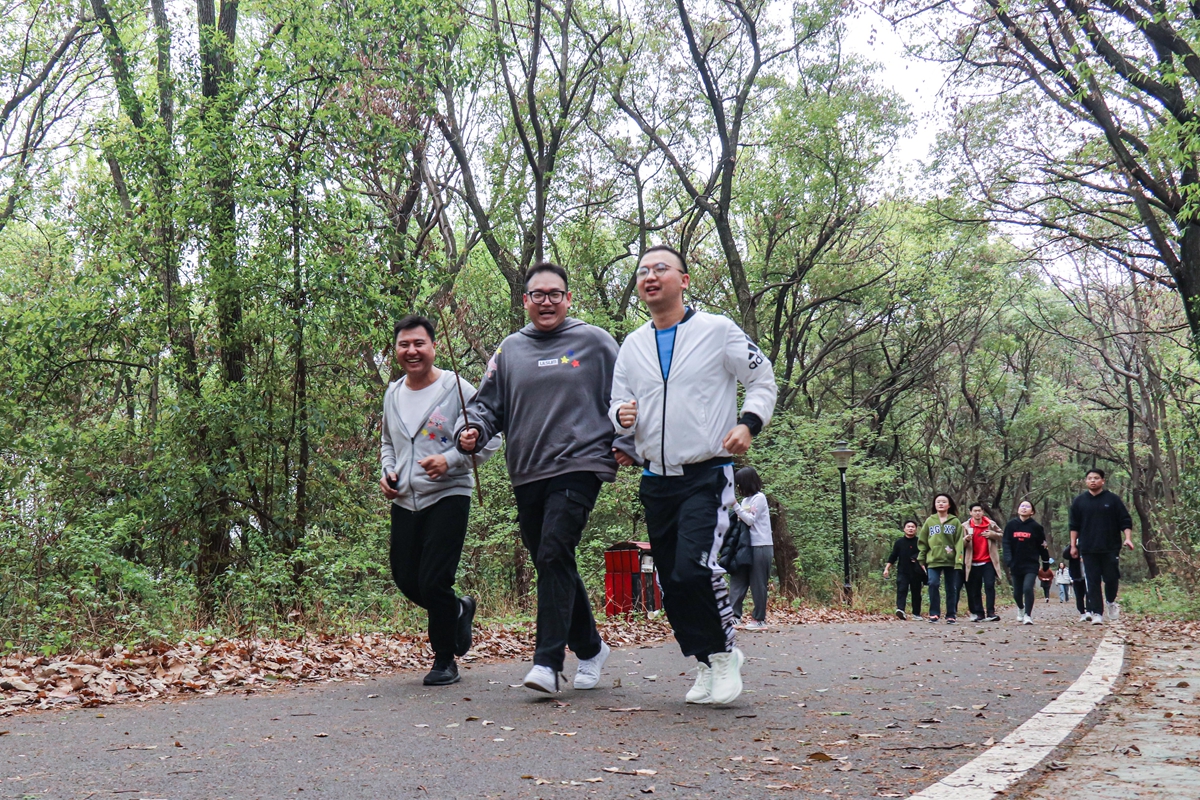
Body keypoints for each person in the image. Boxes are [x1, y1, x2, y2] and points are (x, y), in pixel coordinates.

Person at [610, 244, 778, 706]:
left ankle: (725, 655)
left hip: (708, 473)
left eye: (661, 268)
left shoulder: (717, 330)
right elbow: (617, 402)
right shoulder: (633, 344)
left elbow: (763, 381)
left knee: (693, 568)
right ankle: (704, 660)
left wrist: (748, 423)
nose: (650, 276)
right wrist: (621, 417)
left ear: (683, 280)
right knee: (669, 579)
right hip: (655, 479)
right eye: (643, 270)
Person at [456, 262, 632, 694]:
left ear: (569, 299)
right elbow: (486, 404)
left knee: (554, 550)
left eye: (556, 293)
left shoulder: (594, 342)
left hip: (581, 463)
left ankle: (547, 663)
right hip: (528, 471)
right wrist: (474, 431)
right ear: (526, 301)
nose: (547, 301)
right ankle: (591, 648)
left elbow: (629, 393)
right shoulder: (510, 350)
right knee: (552, 560)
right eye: (539, 294)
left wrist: (628, 440)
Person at [380, 315, 501, 686]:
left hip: (449, 493)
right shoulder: (394, 393)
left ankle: (444, 660)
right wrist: (387, 473)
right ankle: (460, 608)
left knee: (434, 581)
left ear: (432, 347)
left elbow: (490, 440)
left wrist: (450, 459)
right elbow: (388, 444)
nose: (412, 351)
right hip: (405, 500)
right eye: (404, 345)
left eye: (419, 344)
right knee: (405, 577)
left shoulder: (456, 389)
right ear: (397, 351)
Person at [1068, 469, 1134, 626]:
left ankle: (1111, 602)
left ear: (1103, 481)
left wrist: (1128, 538)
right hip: (1088, 548)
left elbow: (1125, 521)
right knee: (1092, 581)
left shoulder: (1112, 500)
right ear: (1085, 481)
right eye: (1089, 478)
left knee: (1111, 577)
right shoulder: (1079, 501)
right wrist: (1073, 546)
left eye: (1096, 478)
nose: (1093, 481)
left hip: (1110, 546)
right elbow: (1073, 526)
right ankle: (1097, 613)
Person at [729, 467, 773, 630]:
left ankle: (759, 619)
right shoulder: (745, 501)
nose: (738, 487)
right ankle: (734, 616)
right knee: (738, 579)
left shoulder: (759, 498)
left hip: (761, 545)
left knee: (758, 582)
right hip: (745, 546)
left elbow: (750, 520)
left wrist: (734, 505)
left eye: (740, 483)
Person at [917, 494, 964, 624]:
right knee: (933, 583)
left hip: (950, 560)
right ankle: (934, 613)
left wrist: (959, 560)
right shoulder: (930, 521)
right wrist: (921, 558)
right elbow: (923, 541)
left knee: (951, 587)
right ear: (934, 505)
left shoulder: (955, 521)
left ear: (949, 505)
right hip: (933, 559)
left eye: (944, 502)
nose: (941, 504)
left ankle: (951, 614)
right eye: (938, 502)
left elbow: (959, 542)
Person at [1002, 500, 1050, 625]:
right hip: (1015, 563)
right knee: (1017, 593)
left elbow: (1042, 545)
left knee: (1028, 588)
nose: (1024, 508)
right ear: (1018, 509)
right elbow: (1006, 543)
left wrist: (1045, 562)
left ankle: (1028, 615)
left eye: (1027, 506)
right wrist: (1008, 559)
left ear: (1032, 511)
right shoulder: (1011, 525)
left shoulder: (1036, 527)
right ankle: (1021, 608)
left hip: (1031, 564)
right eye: (1022, 506)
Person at [962, 502, 1003, 622]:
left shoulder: (990, 524)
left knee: (990, 586)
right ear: (970, 512)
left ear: (983, 512)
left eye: (979, 510)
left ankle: (991, 612)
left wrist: (992, 534)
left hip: (988, 561)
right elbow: (959, 544)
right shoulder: (964, 526)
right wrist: (966, 540)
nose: (977, 513)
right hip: (972, 562)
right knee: (975, 588)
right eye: (975, 511)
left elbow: (1002, 535)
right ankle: (979, 613)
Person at [884, 520, 924, 620]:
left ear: (916, 529)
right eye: (908, 526)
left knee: (916, 592)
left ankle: (916, 614)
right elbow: (893, 556)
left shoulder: (919, 542)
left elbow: (925, 556)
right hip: (903, 571)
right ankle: (900, 610)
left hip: (916, 572)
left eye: (913, 527)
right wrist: (887, 569)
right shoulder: (899, 543)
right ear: (904, 529)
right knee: (902, 590)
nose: (910, 528)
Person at [1062, 545, 1087, 620]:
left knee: (1090, 594)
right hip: (1077, 576)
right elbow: (1065, 555)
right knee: (1079, 596)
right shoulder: (1073, 548)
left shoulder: (1089, 545)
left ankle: (1089, 611)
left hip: (1089, 576)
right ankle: (1082, 613)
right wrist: (1072, 546)